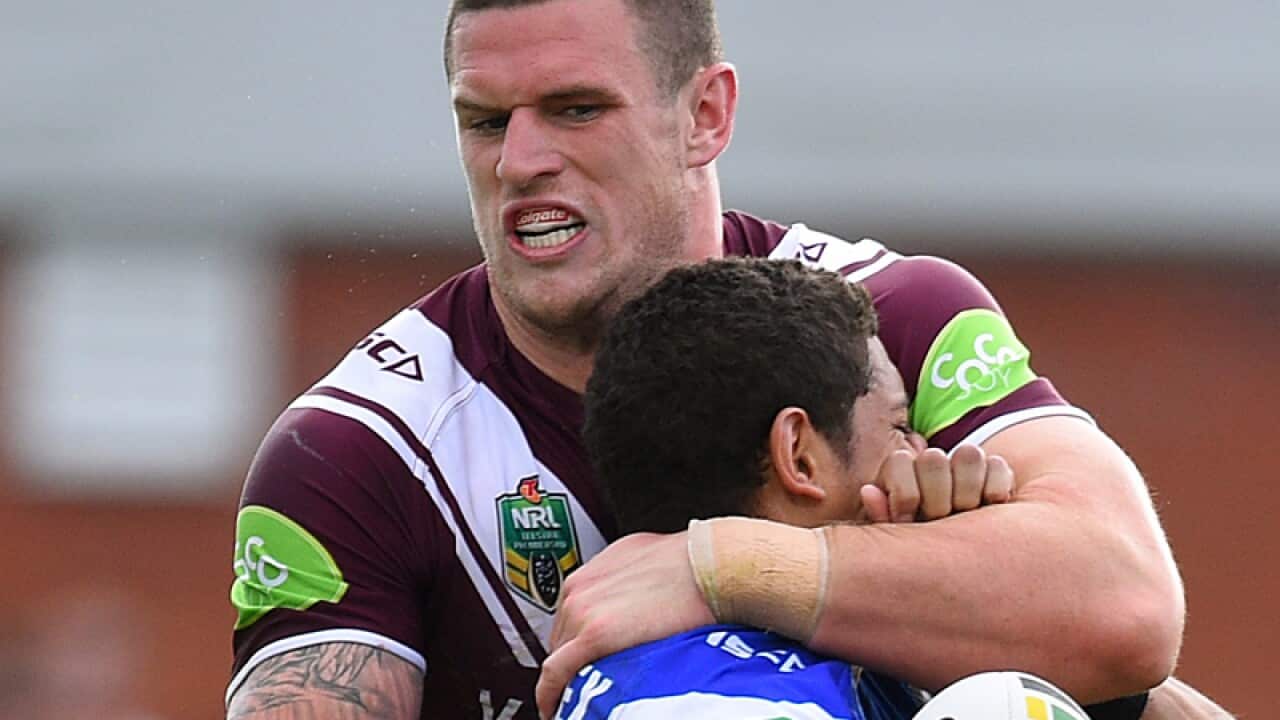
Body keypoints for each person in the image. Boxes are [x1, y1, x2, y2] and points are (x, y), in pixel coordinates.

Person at [225, 1, 1184, 718]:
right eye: (485, 121)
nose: (519, 162)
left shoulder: (891, 321)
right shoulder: (359, 451)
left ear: (706, 115)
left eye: (574, 108)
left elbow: (1127, 615)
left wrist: (718, 567)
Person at [559, 258, 1232, 720]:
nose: (926, 454)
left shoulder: (873, 661)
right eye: (900, 426)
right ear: (800, 456)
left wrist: (1005, 622)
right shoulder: (708, 701)